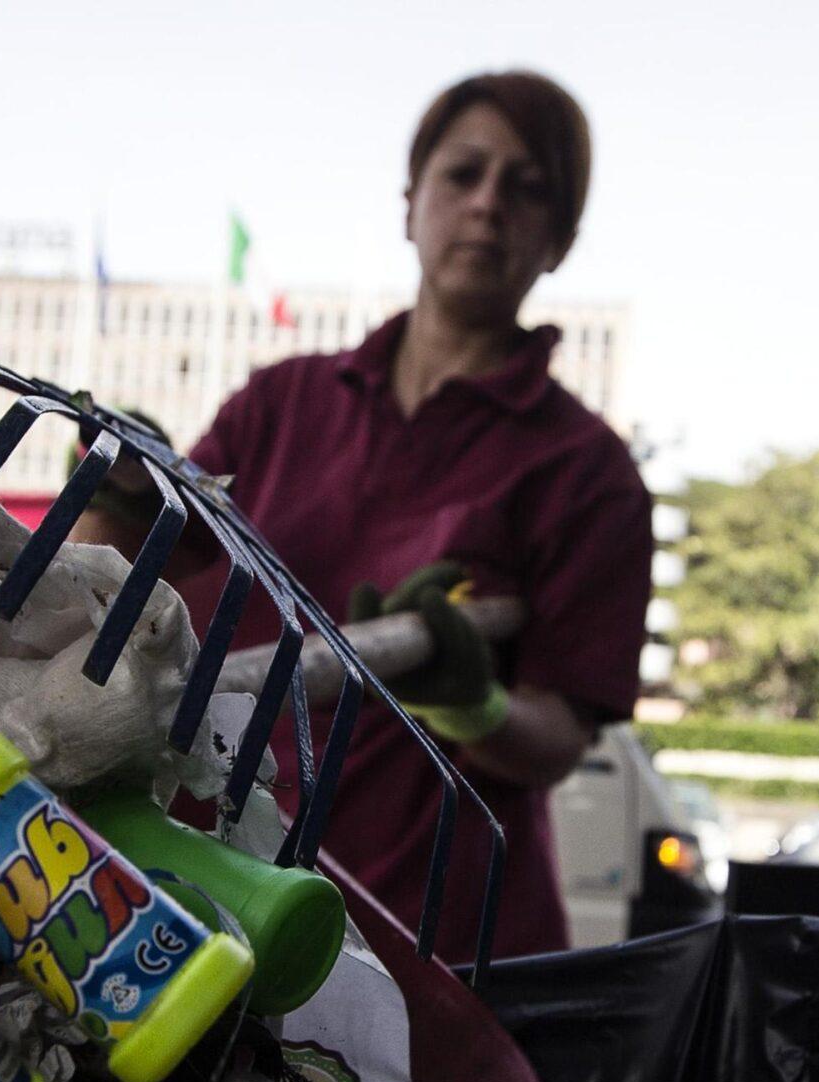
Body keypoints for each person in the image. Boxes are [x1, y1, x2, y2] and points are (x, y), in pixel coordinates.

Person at [76, 70, 653, 963]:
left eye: (526, 186)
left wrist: (474, 704)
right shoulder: (280, 402)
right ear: (411, 202)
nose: (488, 205)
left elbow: (556, 743)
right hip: (219, 896)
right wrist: (116, 491)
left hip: (441, 937)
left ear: (562, 239)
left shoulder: (589, 471)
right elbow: (112, 587)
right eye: (463, 175)